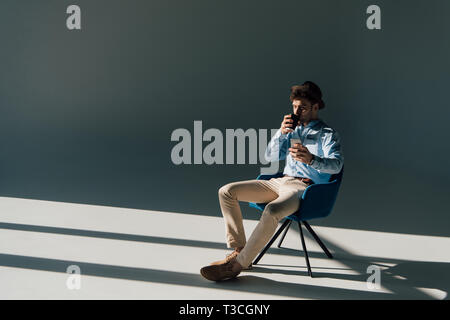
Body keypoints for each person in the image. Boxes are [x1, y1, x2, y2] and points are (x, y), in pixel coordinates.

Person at [200, 81, 344, 281]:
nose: (297, 111)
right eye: (294, 106)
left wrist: (311, 159)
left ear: (315, 107)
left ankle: (236, 266)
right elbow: (269, 156)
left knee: (272, 211)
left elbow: (336, 165)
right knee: (227, 191)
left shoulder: (326, 134)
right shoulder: (291, 129)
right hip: (279, 181)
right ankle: (241, 251)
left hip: (303, 187)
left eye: (302, 107)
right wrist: (280, 133)